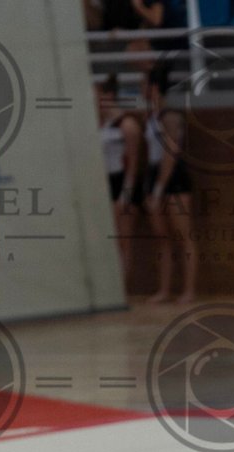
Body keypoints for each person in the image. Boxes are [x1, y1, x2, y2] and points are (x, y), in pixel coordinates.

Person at [142, 66, 198, 305]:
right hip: (155, 173)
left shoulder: (170, 116)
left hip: (174, 178)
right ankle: (164, 289)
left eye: (144, 85)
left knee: (183, 236)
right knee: (162, 238)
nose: (141, 89)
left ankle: (189, 290)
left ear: (154, 88)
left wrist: (159, 188)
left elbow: (171, 153)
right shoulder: (151, 117)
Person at [99, 74, 144, 296]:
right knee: (111, 240)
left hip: (123, 182)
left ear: (109, 95)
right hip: (108, 182)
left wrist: (125, 194)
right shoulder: (103, 125)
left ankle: (123, 290)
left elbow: (133, 162)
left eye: (99, 96)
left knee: (124, 240)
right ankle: (113, 287)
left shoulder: (128, 125)